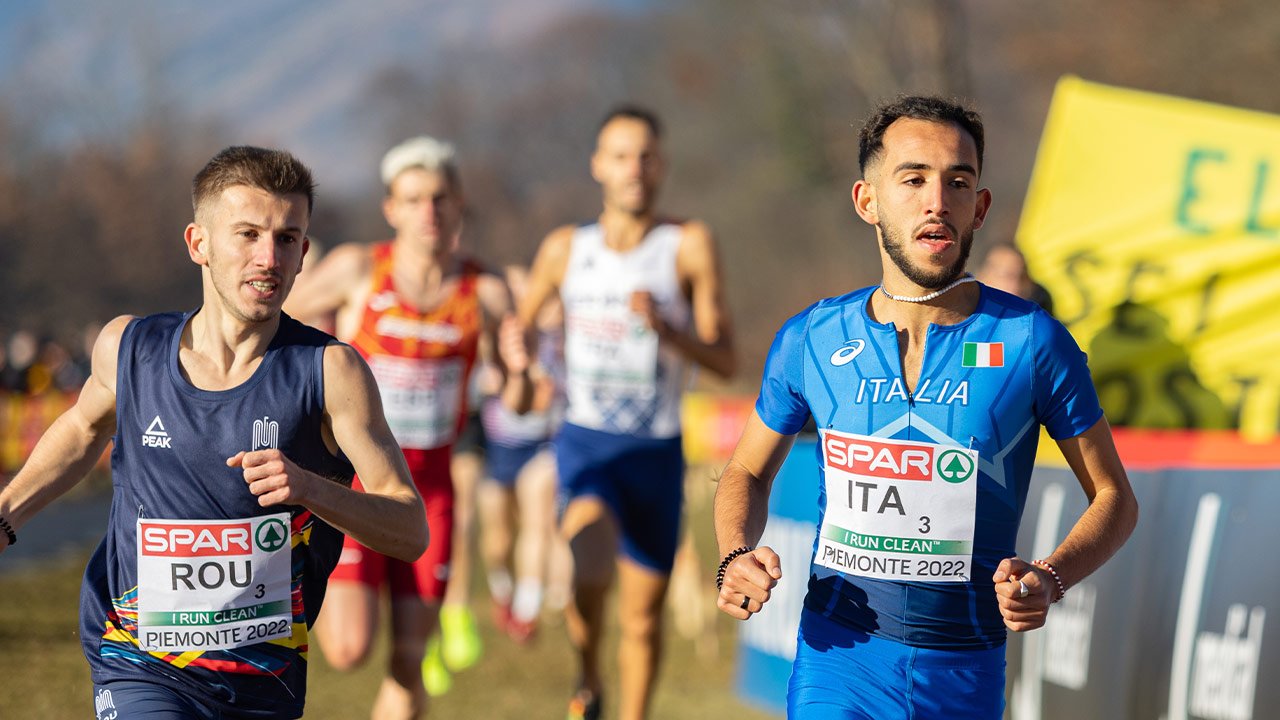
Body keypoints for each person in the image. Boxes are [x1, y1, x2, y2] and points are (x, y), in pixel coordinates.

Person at [712, 96, 1139, 719]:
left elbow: (1114, 498)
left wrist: (1049, 577)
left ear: (980, 207)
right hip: (838, 657)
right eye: (912, 180)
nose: (936, 200)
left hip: (964, 671)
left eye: (958, 182)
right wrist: (734, 554)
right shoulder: (811, 337)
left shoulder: (1031, 342)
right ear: (868, 201)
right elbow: (746, 472)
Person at [0, 145, 429, 720]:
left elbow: (409, 530)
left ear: (304, 253)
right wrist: (6, 516)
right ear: (198, 243)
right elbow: (82, 431)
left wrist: (310, 488)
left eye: (285, 238)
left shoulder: (330, 372)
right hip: (136, 660)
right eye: (247, 234)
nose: (268, 257)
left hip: (262, 681)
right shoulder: (128, 350)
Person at [283, 135, 528, 719]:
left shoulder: (486, 292)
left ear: (459, 204)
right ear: (391, 209)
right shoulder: (359, 269)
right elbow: (273, 322)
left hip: (430, 492)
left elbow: (518, 402)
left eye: (440, 197)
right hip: (355, 484)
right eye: (413, 198)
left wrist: (518, 367)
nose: (429, 211)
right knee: (347, 648)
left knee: (409, 661)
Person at [517, 105, 736, 720]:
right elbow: (523, 327)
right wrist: (522, 359)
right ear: (598, 166)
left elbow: (725, 356)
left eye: (645, 156)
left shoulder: (687, 244)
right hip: (587, 440)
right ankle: (589, 675)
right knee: (587, 573)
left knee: (641, 618)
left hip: (657, 451)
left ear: (661, 165)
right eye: (620, 155)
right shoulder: (566, 249)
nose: (634, 168)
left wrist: (669, 329)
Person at [477, 264, 571, 644]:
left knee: (539, 523)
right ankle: (503, 592)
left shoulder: (556, 339)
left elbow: (556, 388)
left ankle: (526, 612)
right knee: (497, 539)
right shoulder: (493, 336)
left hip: (542, 446)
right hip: (497, 448)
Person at [975, 243, 1054, 314]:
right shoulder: (969, 320)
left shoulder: (1040, 315)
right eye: (1008, 276)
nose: (1016, 285)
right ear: (983, 277)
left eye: (1022, 276)